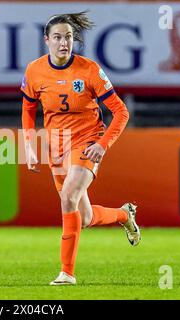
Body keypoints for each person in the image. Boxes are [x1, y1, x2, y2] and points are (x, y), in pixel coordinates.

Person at [20, 11, 141, 286]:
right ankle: (124, 214)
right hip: (56, 145)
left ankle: (67, 273)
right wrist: (29, 144)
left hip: (87, 139)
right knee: (83, 216)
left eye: (69, 37)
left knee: (68, 197)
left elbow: (121, 112)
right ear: (46, 40)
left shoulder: (89, 70)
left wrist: (102, 144)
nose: (64, 43)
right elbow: (28, 109)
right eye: (58, 37)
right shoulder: (34, 70)